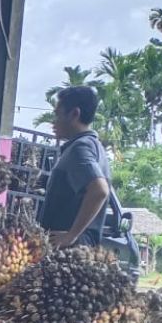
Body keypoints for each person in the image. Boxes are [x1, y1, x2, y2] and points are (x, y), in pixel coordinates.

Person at [41, 85, 118, 248]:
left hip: (69, 251)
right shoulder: (94, 146)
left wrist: (70, 236)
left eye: (58, 115)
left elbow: (100, 190)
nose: (54, 121)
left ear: (74, 114)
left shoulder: (80, 149)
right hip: (78, 248)